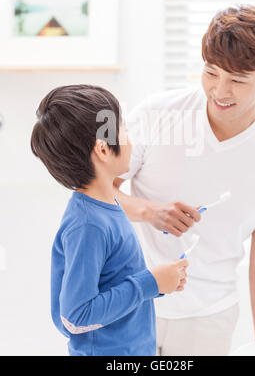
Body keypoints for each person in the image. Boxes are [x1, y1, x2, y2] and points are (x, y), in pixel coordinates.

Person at [113, 6, 255, 356]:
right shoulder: (156, 115)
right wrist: (150, 212)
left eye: (238, 81)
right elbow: (96, 192)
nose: (219, 91)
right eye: (211, 73)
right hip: (129, 302)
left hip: (209, 317)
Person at [30, 84, 188, 356]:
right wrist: (150, 282)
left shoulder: (107, 206)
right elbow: (76, 315)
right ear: (103, 150)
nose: (130, 138)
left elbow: (113, 282)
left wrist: (159, 283)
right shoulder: (88, 225)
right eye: (124, 129)